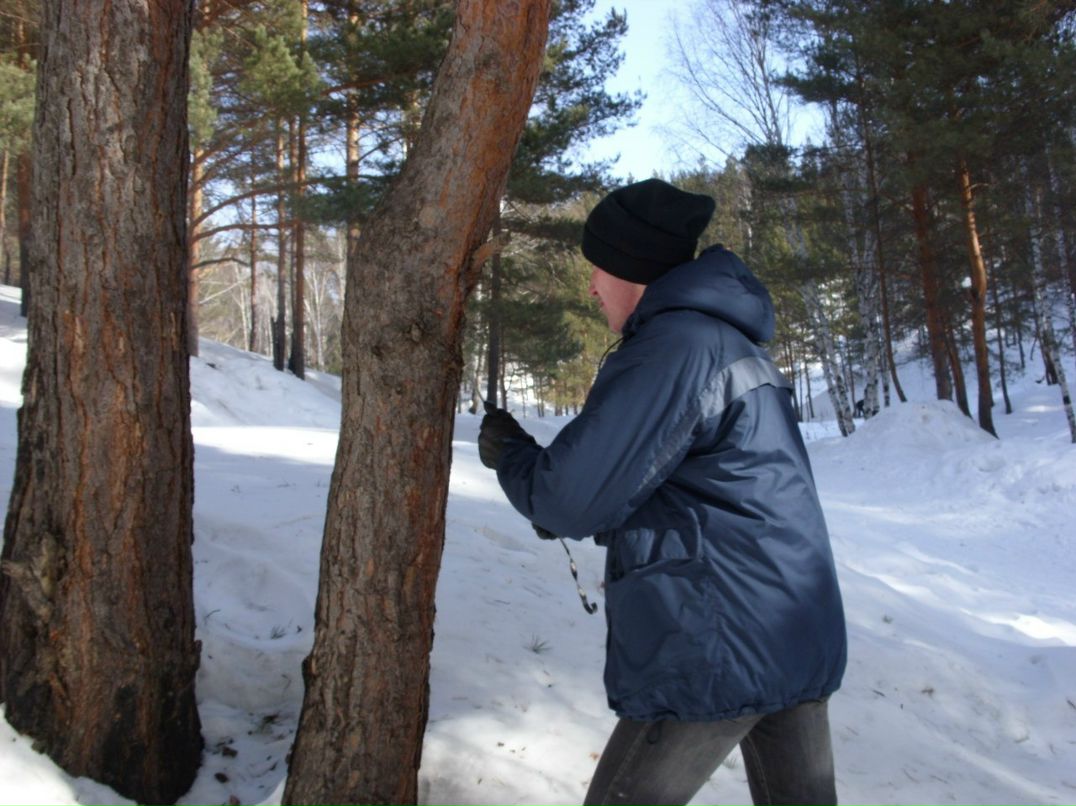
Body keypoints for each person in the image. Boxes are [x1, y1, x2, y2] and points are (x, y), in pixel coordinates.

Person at [478, 178, 846, 806]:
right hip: (790, 623)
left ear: (632, 269)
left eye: (599, 268)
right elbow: (696, 489)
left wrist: (512, 457)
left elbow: (571, 497)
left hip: (715, 636)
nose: (591, 286)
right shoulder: (726, 341)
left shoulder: (677, 348)